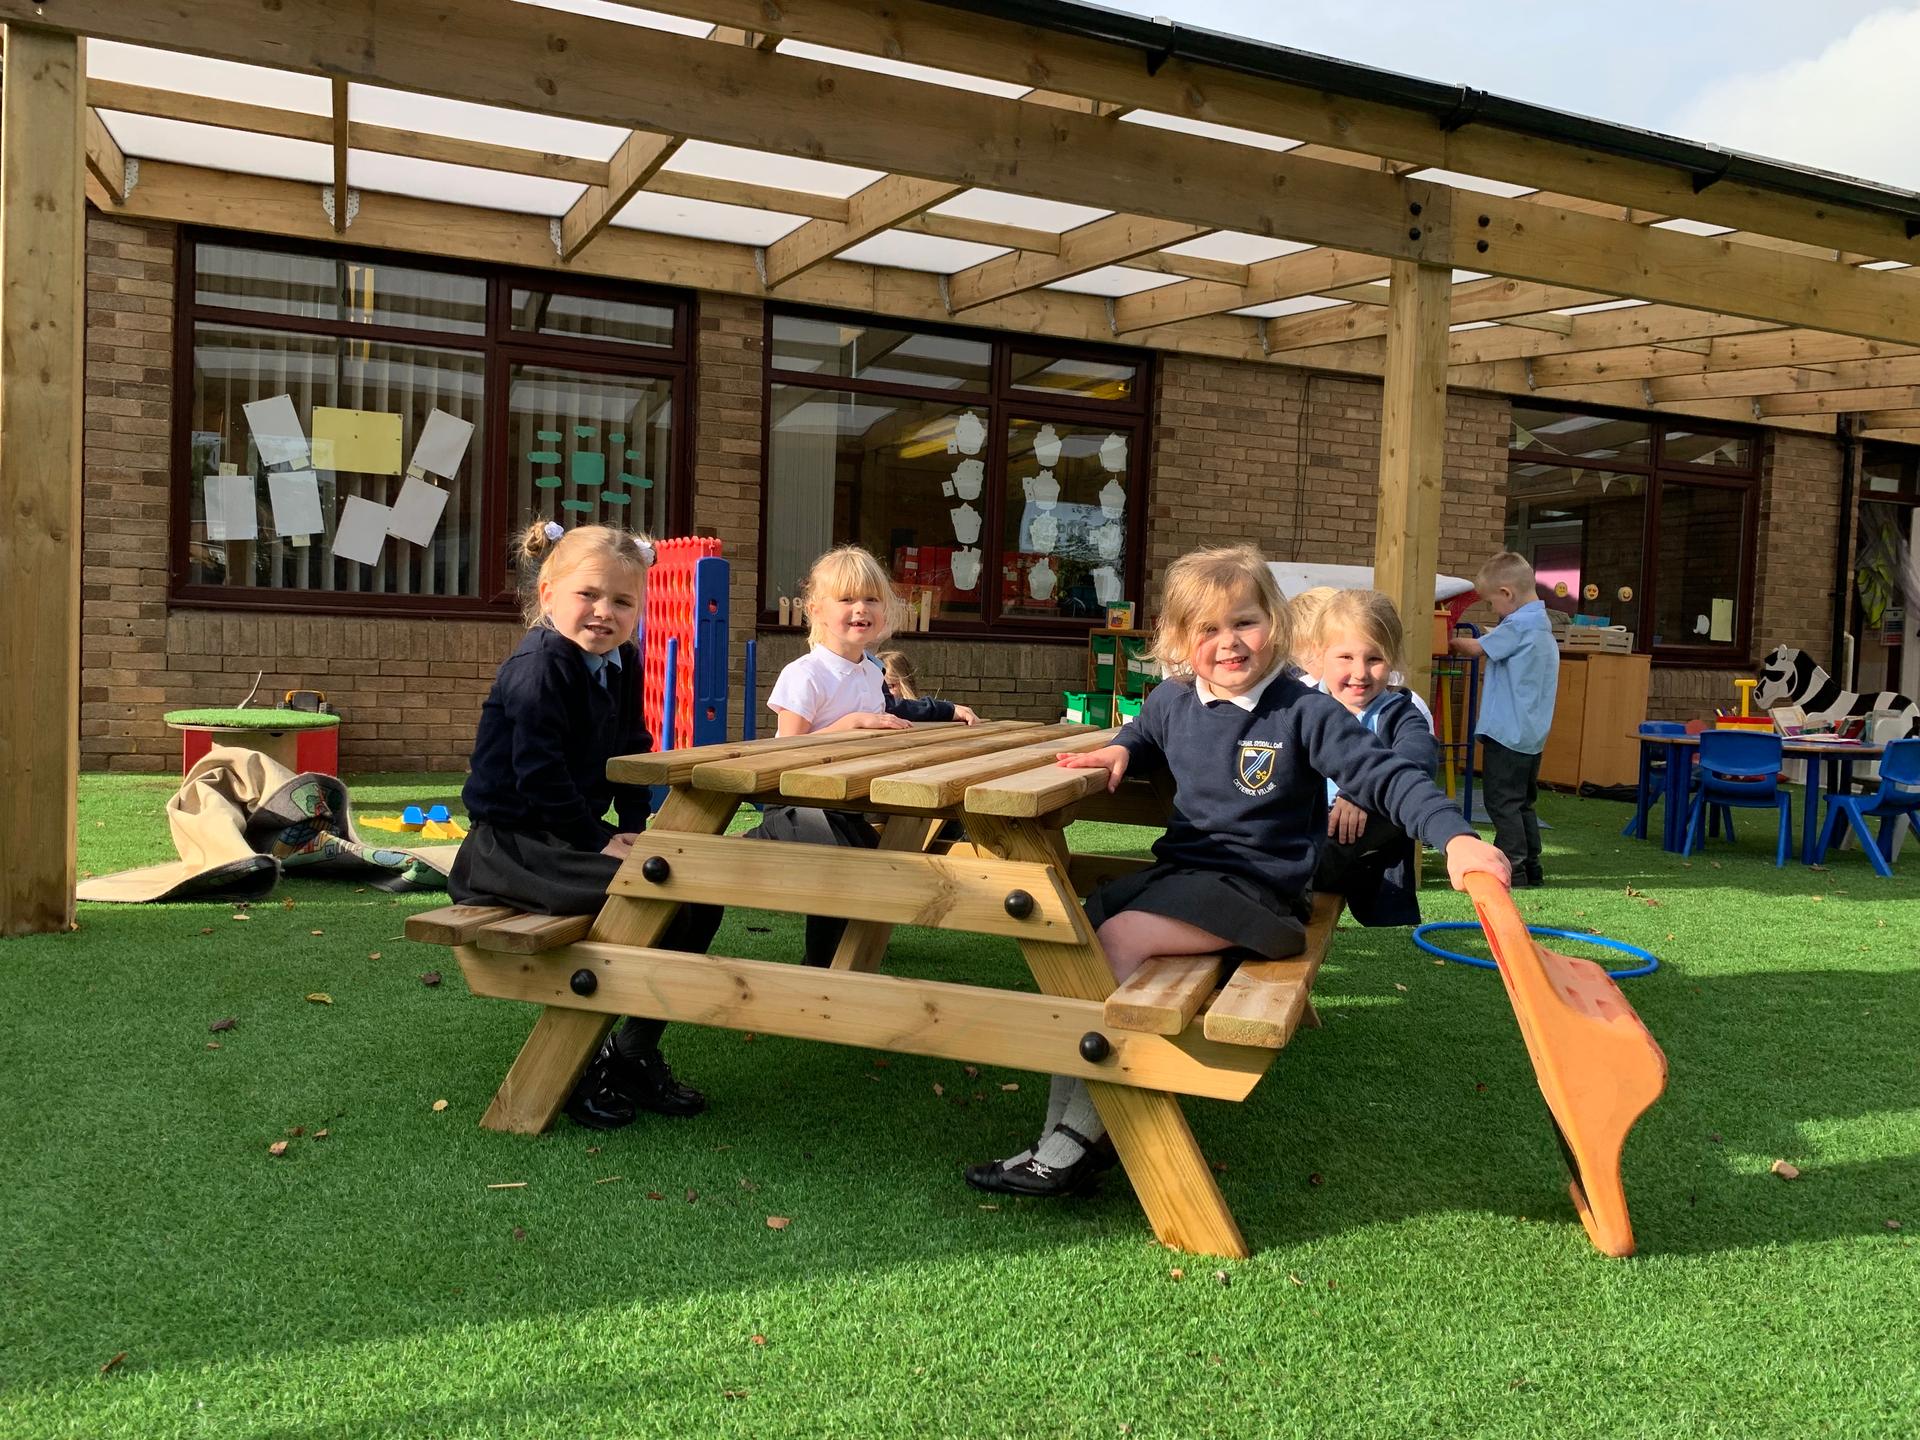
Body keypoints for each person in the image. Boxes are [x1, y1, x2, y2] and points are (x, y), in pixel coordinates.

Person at [966, 545, 1509, 1198]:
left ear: (1275, 625)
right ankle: (1074, 1130)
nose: (1230, 643)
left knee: (1115, 943)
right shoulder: (1173, 700)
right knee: (1077, 930)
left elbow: (1388, 775)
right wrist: (1117, 748)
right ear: (1177, 639)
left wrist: (1454, 838)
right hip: (1188, 875)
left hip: (1261, 893)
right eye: (1209, 629)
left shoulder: (1303, 711)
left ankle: (1073, 1142)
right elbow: (1144, 729)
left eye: (1244, 622)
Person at [451, 520, 721, 1130]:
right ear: (548, 593)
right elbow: (537, 775)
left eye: (623, 601)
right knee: (642, 896)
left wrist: (634, 827)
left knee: (696, 900)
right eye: (588, 595)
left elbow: (631, 749)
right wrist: (600, 839)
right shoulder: (541, 666)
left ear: (640, 610)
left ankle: (635, 1051)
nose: (604, 612)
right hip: (508, 849)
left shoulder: (621, 663)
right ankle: (580, 1059)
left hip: (562, 838)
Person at [748, 545, 980, 966]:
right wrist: (847, 725)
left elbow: (894, 712)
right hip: (794, 807)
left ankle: (837, 963)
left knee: (881, 861)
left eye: (871, 599)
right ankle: (820, 964)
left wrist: (947, 709)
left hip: (845, 807)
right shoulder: (805, 674)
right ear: (817, 610)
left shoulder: (870, 670)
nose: (861, 609)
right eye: (847, 599)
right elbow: (784, 753)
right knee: (849, 865)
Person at [1312, 589, 1437, 926]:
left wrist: (1361, 793)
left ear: (1393, 660)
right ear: (1319, 656)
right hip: (1310, 833)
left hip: (1368, 842)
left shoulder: (1399, 712)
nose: (1360, 672)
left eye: (1374, 659)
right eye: (1345, 658)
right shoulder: (1301, 708)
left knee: (1399, 793)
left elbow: (1419, 755)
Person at [1450, 551, 1558, 887]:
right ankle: (1531, 865)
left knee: (1502, 803)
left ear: (1507, 594)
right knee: (1523, 802)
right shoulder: (1536, 624)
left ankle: (1511, 863)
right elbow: (1496, 636)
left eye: (1492, 602)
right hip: (1530, 735)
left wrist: (1449, 639)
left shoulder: (1517, 627)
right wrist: (1486, 632)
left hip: (1506, 733)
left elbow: (1476, 648)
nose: (1493, 610)